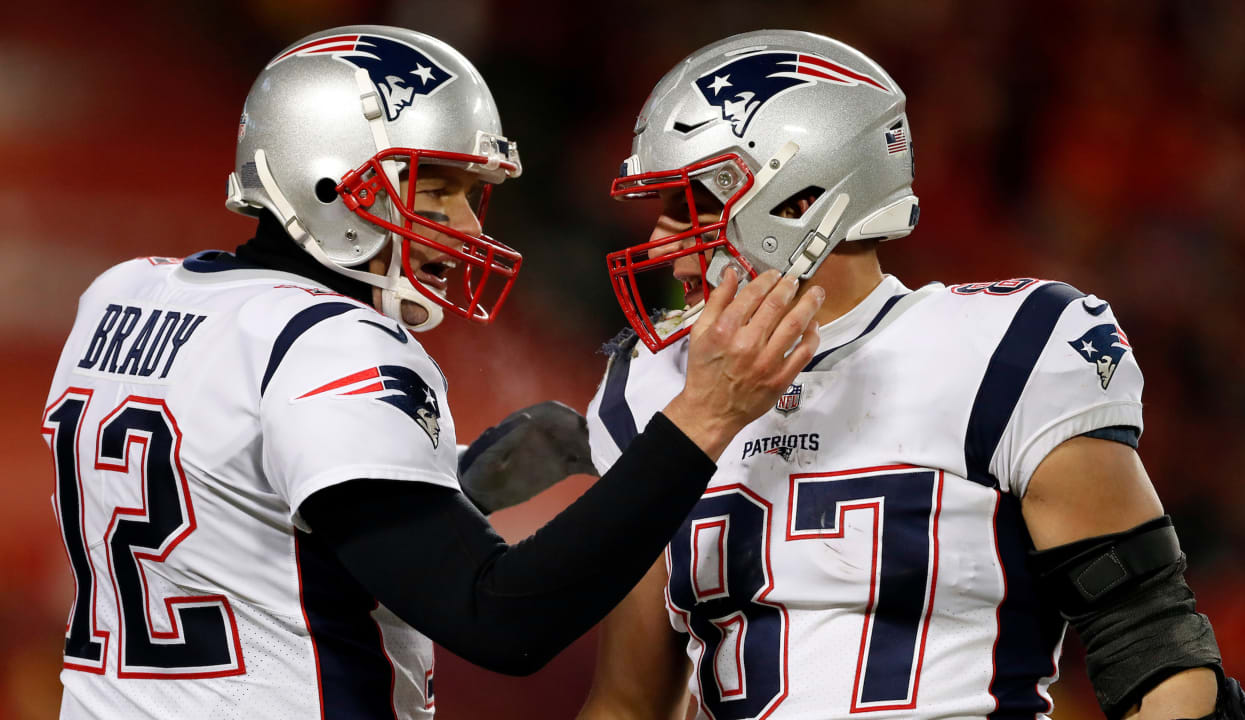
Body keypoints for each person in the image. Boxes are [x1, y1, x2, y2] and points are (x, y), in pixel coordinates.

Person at [40, 25, 824, 719]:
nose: (466, 226)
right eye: (438, 189)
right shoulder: (329, 341)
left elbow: (235, 504)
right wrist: (704, 417)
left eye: (472, 194)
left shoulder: (123, 293)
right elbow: (501, 622)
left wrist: (444, 485)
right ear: (328, 180)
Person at [579, 29, 1245, 720]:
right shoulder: (648, 391)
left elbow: (1151, 647)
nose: (661, 241)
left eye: (686, 205)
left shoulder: (1007, 350)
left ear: (795, 201)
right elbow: (629, 706)